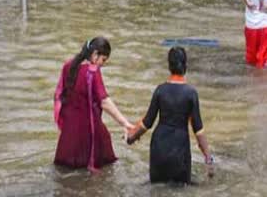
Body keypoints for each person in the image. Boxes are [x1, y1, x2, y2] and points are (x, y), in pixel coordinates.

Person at [126, 47, 214, 184]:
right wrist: (208, 158)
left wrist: (131, 137)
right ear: (185, 66)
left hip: (158, 148)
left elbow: (147, 123)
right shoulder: (191, 93)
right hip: (180, 148)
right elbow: (198, 130)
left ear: (169, 66)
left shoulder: (160, 90)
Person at [54, 37, 133, 172]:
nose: (102, 64)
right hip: (88, 132)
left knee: (64, 170)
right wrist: (126, 124)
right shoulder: (92, 71)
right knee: (105, 168)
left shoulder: (68, 66)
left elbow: (60, 95)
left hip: (68, 133)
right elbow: (104, 101)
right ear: (95, 54)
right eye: (103, 60)